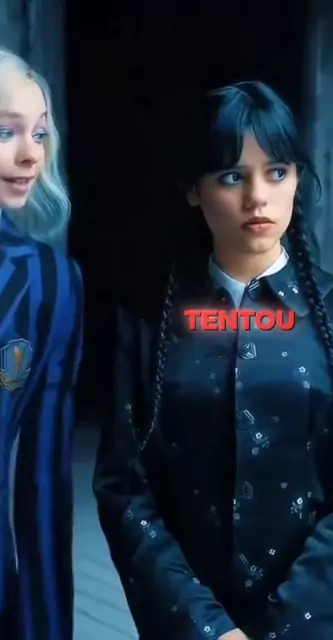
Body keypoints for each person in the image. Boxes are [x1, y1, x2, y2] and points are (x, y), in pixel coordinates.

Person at [93, 81, 333, 640]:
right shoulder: (145, 325)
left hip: (314, 624)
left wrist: (287, 625)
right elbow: (124, 488)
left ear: (298, 180)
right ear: (194, 189)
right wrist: (205, 626)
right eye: (233, 176)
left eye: (276, 172)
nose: (258, 197)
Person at [0, 48, 83, 637]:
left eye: (40, 132)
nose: (31, 154)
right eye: (6, 132)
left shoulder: (49, 281)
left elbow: (45, 484)